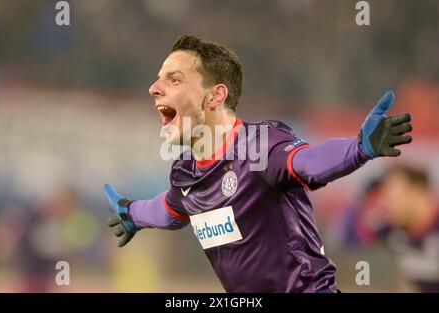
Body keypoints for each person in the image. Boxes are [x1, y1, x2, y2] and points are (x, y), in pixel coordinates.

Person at [104, 35, 413, 292]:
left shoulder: (258, 145)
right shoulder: (186, 172)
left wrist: (359, 148)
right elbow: (169, 209)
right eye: (159, 79)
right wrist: (132, 213)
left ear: (215, 97)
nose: (154, 87)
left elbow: (308, 162)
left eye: (174, 79)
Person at [341, 165, 439, 292]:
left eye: (393, 198)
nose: (386, 206)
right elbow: (349, 241)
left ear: (419, 191)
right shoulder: (391, 229)